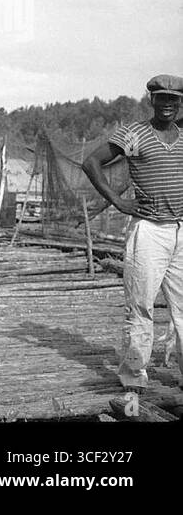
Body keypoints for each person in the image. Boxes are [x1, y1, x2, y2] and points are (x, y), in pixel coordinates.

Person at [82, 74, 183, 398]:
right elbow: (91, 162)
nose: (167, 104)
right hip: (148, 233)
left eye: (173, 99)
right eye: (161, 98)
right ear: (151, 100)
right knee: (140, 307)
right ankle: (134, 378)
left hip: (180, 231)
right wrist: (118, 200)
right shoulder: (134, 134)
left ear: (180, 103)